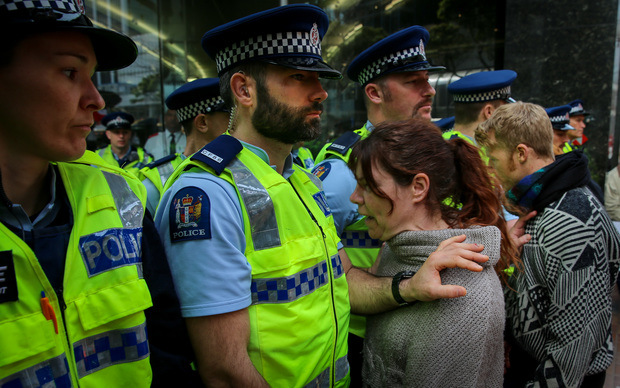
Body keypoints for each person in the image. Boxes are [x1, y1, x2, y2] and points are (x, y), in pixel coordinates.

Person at [154, 5, 489, 387]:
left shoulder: (301, 180)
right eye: (298, 77)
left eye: (317, 77)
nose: (320, 92)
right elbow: (225, 370)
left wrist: (408, 286)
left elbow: (342, 279)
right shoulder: (208, 194)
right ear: (244, 90)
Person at [0, 1, 198, 387]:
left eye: (91, 76)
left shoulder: (117, 193)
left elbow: (165, 344)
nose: (97, 100)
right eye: (70, 71)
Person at [311, 27, 445, 382]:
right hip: (367, 336)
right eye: (413, 81)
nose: (429, 89)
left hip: (431, 323)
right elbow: (323, 265)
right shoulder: (343, 171)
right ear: (374, 92)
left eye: (427, 80)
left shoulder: (434, 150)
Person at [349, 118, 518, 387]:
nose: (355, 197)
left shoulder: (463, 294)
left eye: (367, 185)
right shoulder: (397, 248)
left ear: (418, 187)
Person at [475, 102, 620, 388]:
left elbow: (573, 349)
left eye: (493, 158)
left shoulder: (572, 220)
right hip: (532, 362)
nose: (490, 168)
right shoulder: (543, 202)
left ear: (520, 153)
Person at [139, 77, 229, 215]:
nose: (235, 125)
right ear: (202, 123)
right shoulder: (157, 182)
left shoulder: (238, 168)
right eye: (229, 117)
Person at [443, 69, 518, 161]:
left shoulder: (442, 145)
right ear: (489, 112)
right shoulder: (465, 154)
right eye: (505, 109)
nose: (509, 115)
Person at [97, 111, 153, 176]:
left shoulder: (144, 157)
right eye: (117, 132)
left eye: (125, 132)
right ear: (108, 134)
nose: (121, 136)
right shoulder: (98, 155)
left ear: (130, 134)